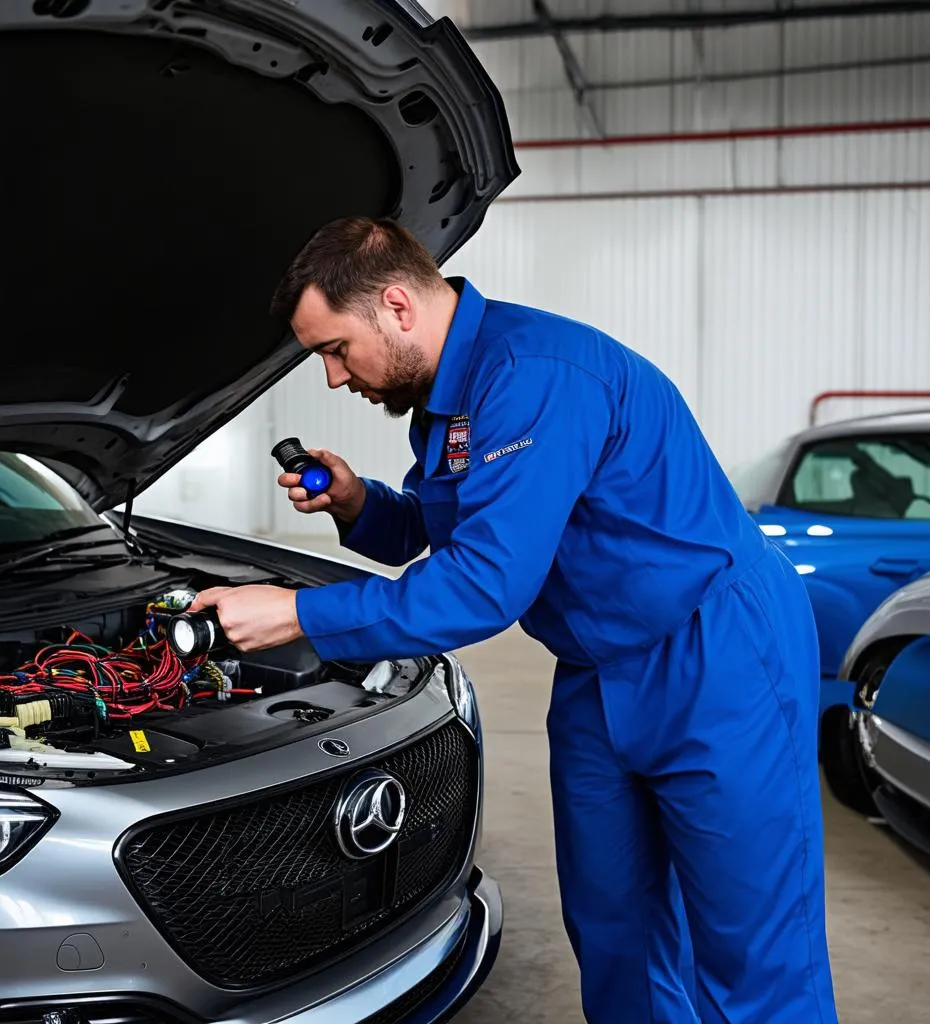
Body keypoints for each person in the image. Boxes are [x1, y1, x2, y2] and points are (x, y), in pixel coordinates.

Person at [190, 216, 840, 1024]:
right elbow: (450, 525)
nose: (331, 377)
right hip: (597, 671)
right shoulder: (445, 403)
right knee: (615, 928)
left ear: (396, 306)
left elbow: (483, 586)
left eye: (334, 348)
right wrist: (358, 503)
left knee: (752, 948)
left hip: (717, 654)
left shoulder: (535, 376)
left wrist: (297, 614)